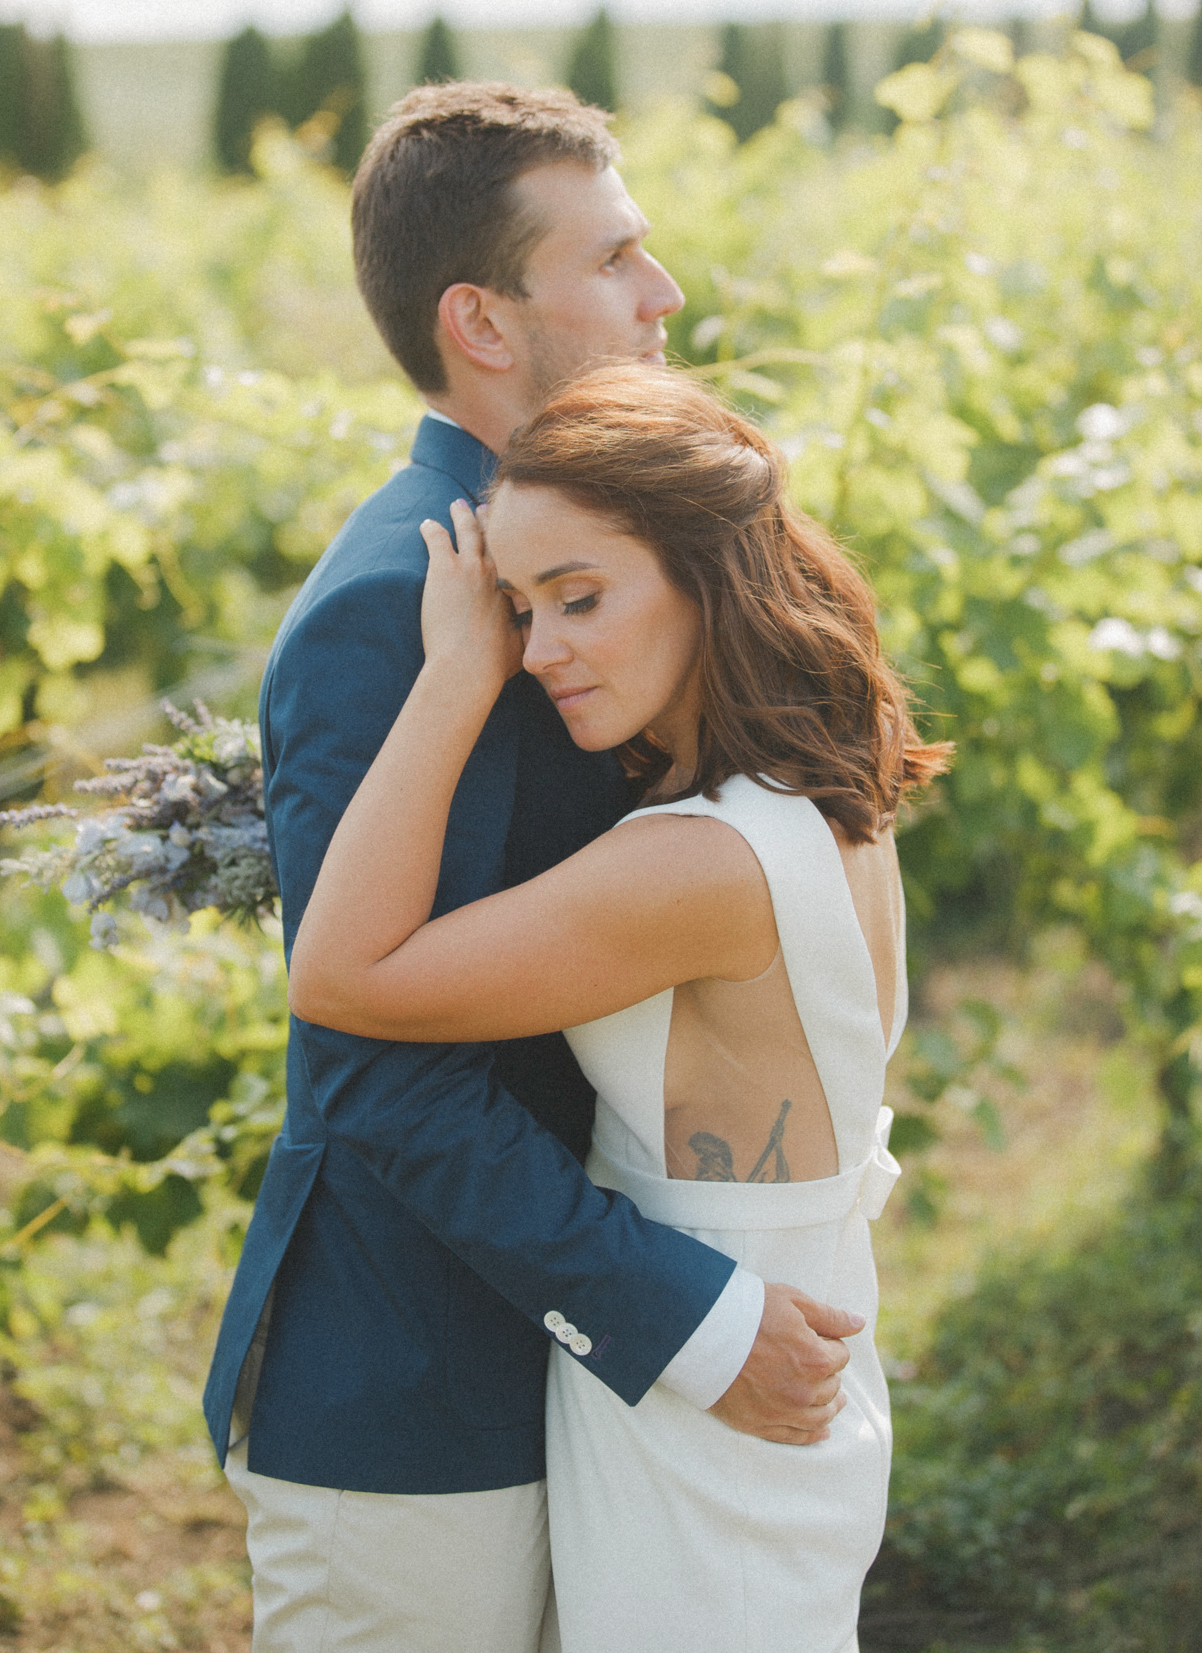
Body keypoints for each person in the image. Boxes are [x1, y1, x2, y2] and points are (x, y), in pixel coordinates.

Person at [202, 85, 865, 1653]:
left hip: (575, 1386)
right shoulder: (410, 600)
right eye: (619, 256)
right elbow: (369, 1063)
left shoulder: (589, 560)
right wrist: (690, 1321)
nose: (668, 292)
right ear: (483, 323)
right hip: (424, 1399)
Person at [288, 367, 952, 1652]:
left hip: (712, 1413)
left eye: (577, 600)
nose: (537, 651)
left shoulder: (690, 866)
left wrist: (449, 678)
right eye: (517, 611)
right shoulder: (826, 807)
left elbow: (338, 978)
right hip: (781, 1349)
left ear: (709, 578)